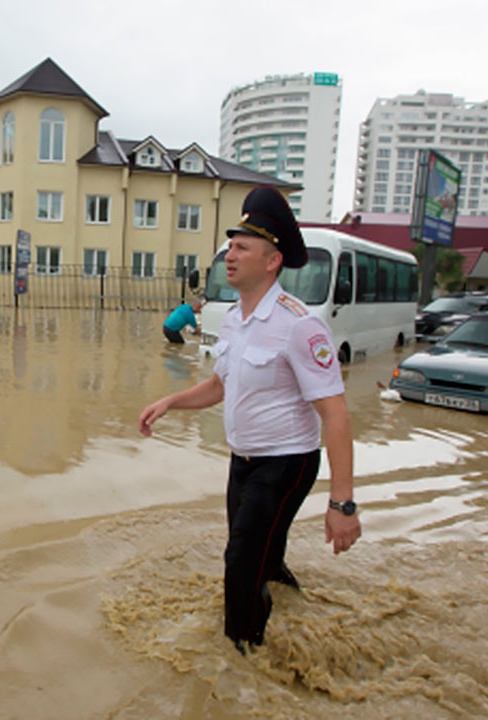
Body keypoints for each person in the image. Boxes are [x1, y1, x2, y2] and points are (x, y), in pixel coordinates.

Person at [137, 185, 361, 655]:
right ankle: (287, 603)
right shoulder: (236, 319)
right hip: (244, 461)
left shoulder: (300, 325)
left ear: (272, 260)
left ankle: (243, 661)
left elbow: (335, 415)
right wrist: (170, 401)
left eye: (241, 247)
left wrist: (343, 505)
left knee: (240, 562)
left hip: (285, 463)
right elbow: (219, 385)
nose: (229, 255)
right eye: (230, 246)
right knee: (263, 554)